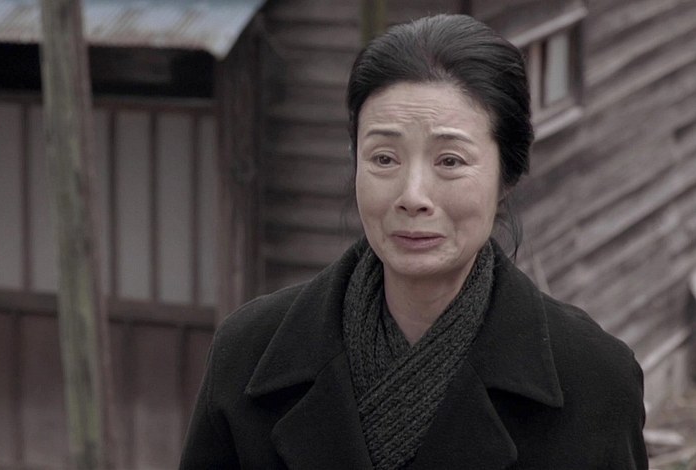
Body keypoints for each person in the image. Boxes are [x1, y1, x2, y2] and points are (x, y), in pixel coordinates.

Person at [180, 14, 648, 470]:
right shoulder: (247, 355)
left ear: (507, 174)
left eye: (450, 161)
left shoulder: (593, 379)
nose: (413, 196)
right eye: (384, 158)